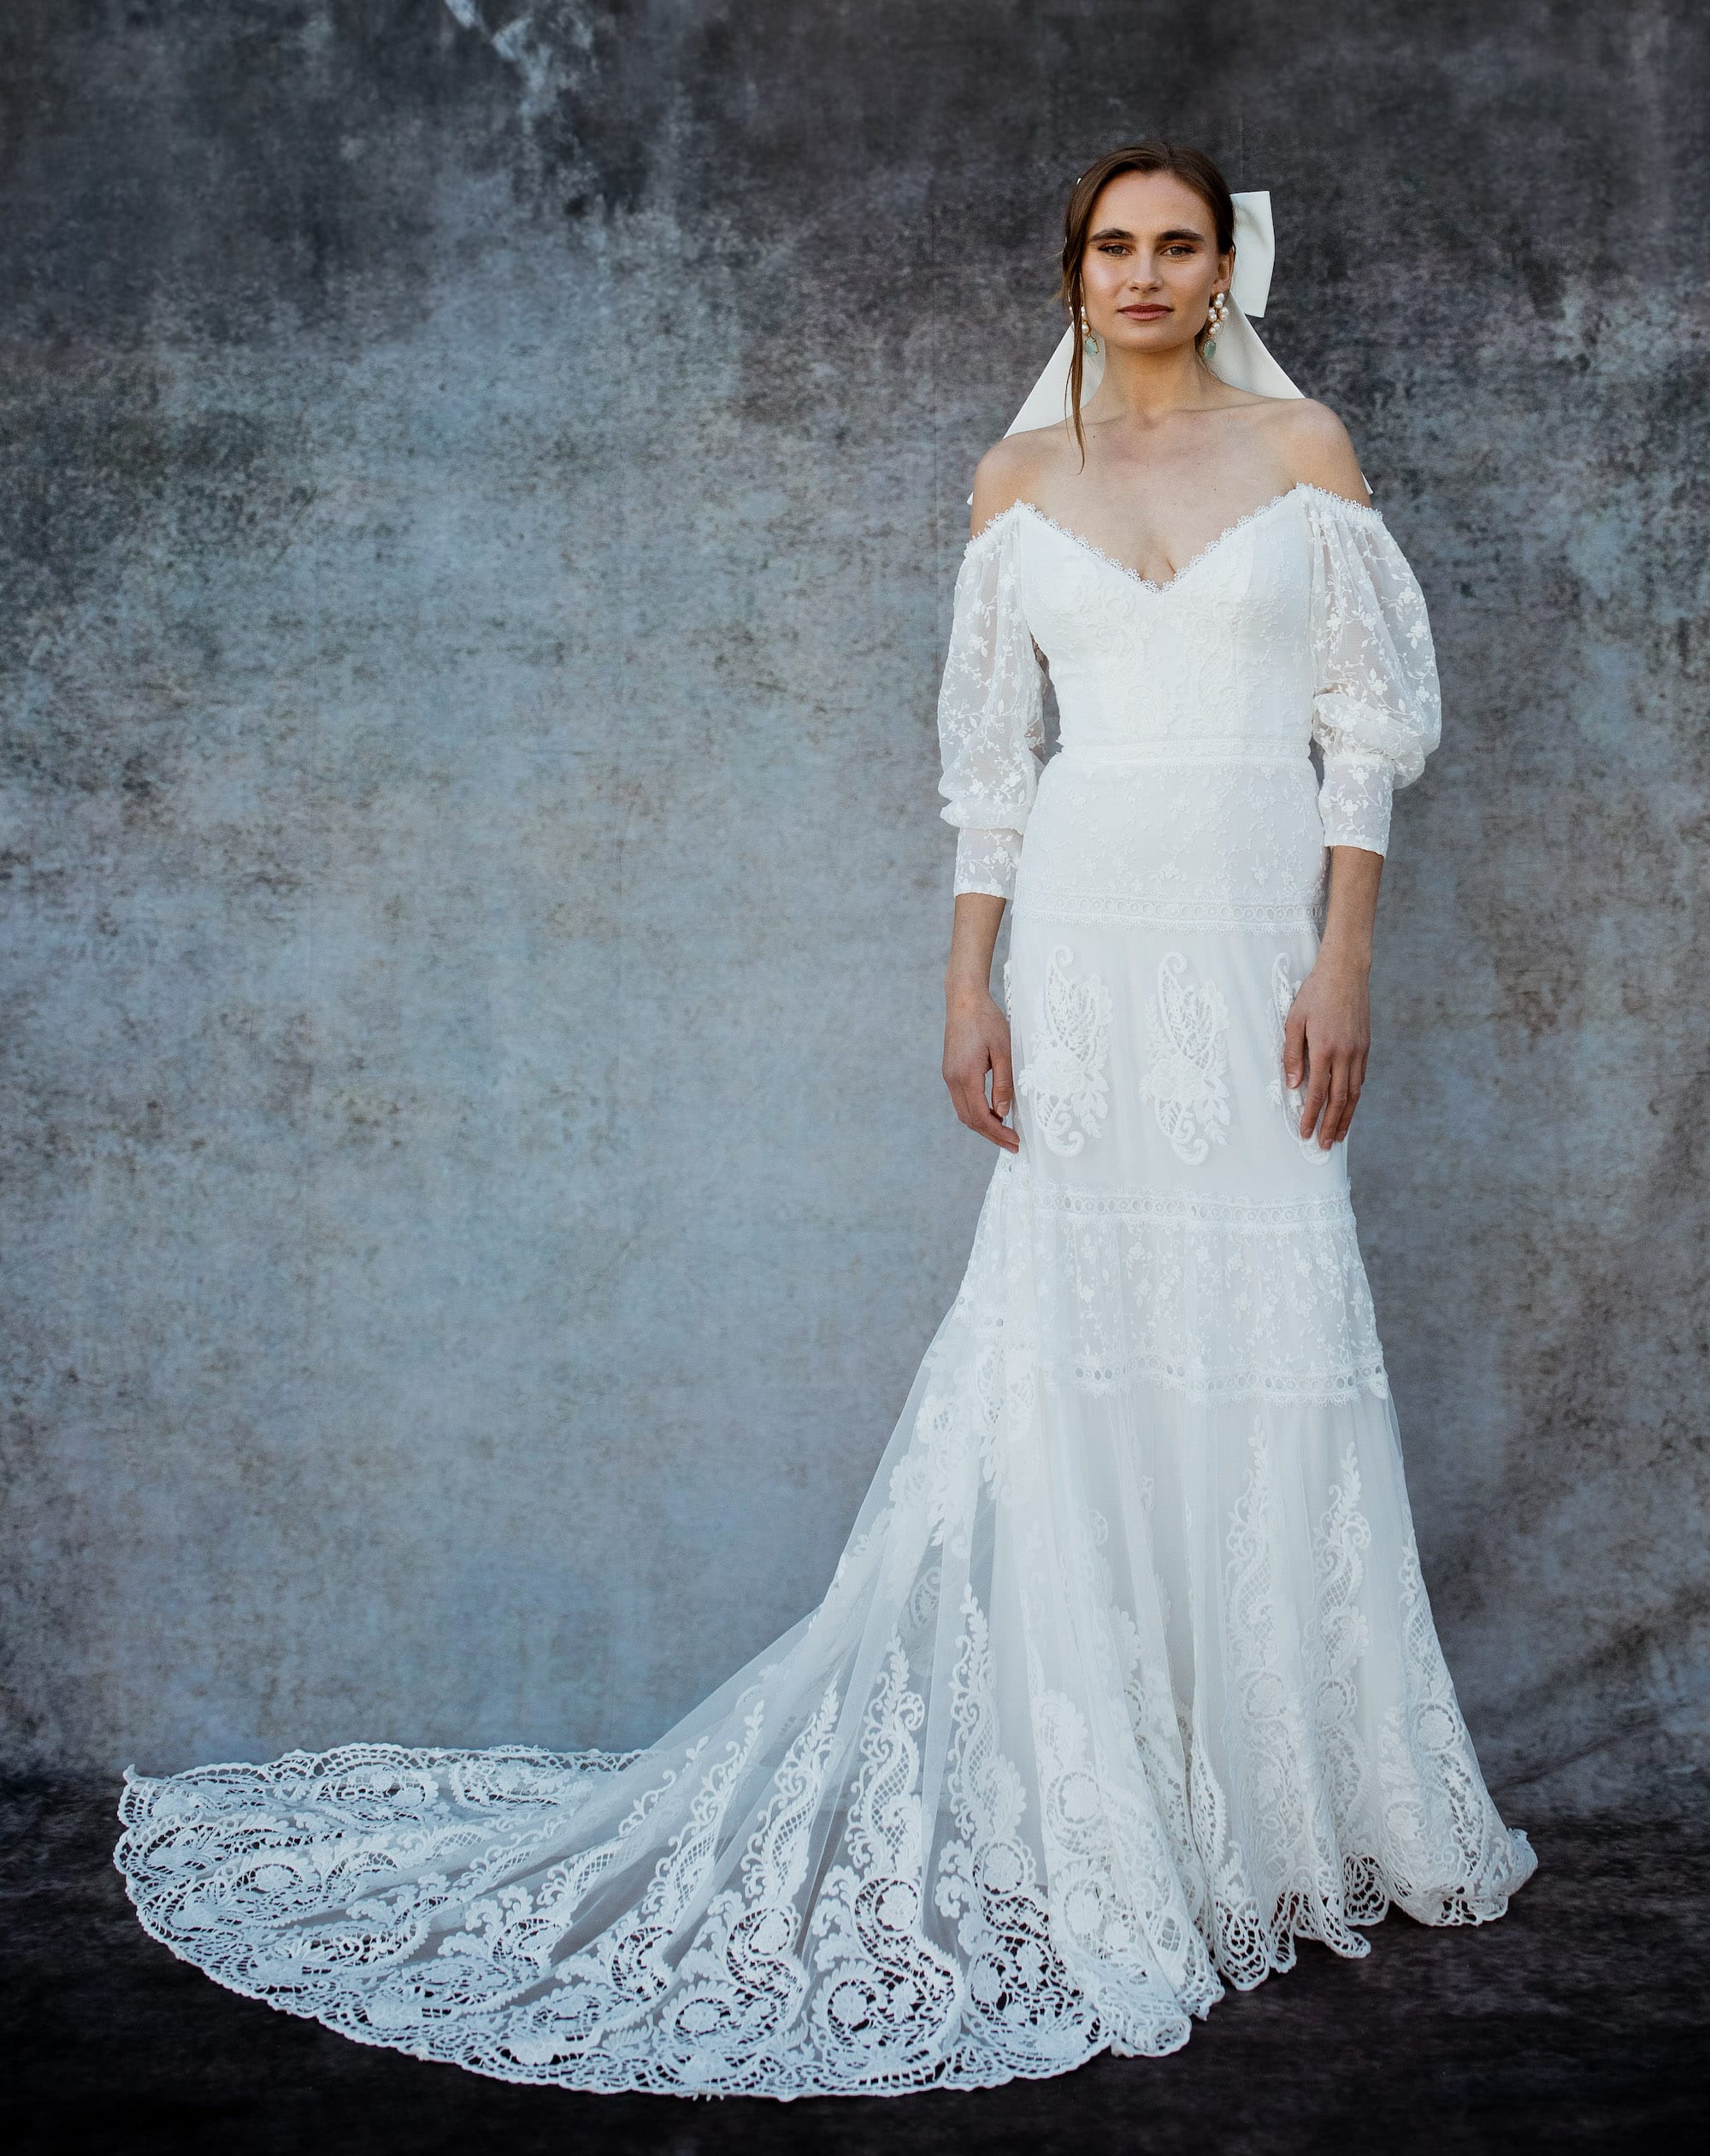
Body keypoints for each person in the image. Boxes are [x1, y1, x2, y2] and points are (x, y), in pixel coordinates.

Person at [115, 139, 1535, 2099]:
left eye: (1175, 245)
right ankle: (1116, 1790)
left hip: (1244, 942)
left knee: (1267, 1335)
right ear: (1073, 273)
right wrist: (965, 984)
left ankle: (1282, 1804)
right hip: (1082, 948)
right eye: (1111, 247)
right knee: (1083, 1346)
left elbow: (1362, 730)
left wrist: (1345, 954)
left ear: (1224, 270)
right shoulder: (1012, 483)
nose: (1141, 274)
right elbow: (989, 771)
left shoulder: (1305, 454)